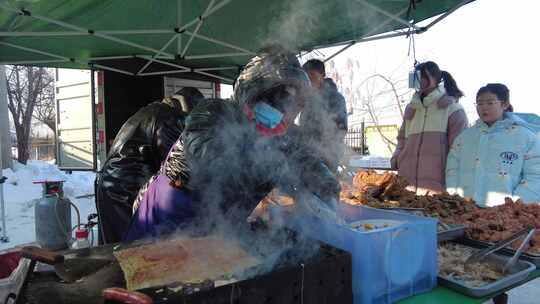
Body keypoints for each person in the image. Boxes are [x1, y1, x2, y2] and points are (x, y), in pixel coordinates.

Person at [125, 46, 340, 241]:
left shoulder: (281, 133)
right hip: (168, 217)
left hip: (217, 227)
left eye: (292, 106)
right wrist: (273, 165)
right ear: (252, 94)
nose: (284, 113)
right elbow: (209, 159)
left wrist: (325, 181)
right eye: (276, 101)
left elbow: (302, 158)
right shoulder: (214, 112)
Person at [95, 87, 204, 244]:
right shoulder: (169, 118)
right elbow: (175, 166)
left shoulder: (155, 110)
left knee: (116, 244)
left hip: (113, 184)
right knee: (133, 249)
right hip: (125, 189)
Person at [446, 83, 540, 207]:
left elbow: (535, 175)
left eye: (490, 103)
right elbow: (452, 170)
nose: (484, 108)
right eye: (479, 103)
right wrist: (455, 197)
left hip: (505, 214)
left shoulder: (525, 137)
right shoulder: (465, 137)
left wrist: (515, 204)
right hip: (465, 208)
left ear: (504, 104)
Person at [390, 61, 468, 194]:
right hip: (406, 184)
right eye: (415, 77)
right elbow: (402, 139)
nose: (418, 81)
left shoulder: (452, 108)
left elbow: (459, 150)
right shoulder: (412, 108)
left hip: (437, 186)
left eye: (422, 77)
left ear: (434, 79)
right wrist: (397, 158)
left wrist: (453, 182)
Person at [299, 59, 348, 173]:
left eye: (312, 75)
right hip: (308, 154)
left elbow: (341, 129)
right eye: (306, 76)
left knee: (325, 187)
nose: (309, 79)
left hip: (328, 156)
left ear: (322, 75)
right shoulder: (308, 98)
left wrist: (322, 148)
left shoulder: (335, 98)